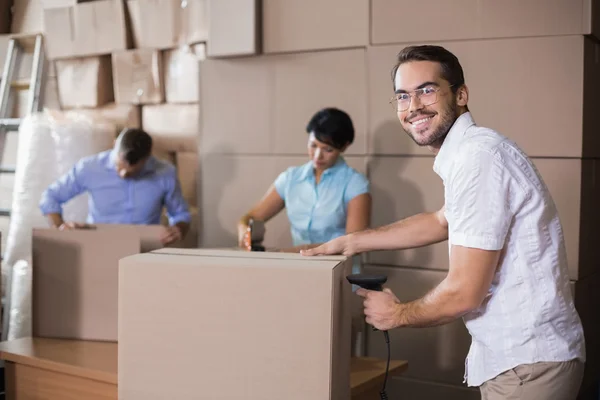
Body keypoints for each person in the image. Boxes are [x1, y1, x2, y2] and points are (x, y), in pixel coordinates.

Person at [302, 45, 586, 399]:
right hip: (522, 362)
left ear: (461, 94)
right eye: (403, 96)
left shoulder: (477, 158)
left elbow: (465, 291)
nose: (414, 106)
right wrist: (350, 242)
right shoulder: (471, 152)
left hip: (527, 365)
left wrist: (396, 315)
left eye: (427, 90)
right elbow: (442, 221)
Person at [237, 107, 371, 257]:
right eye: (313, 145)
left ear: (344, 146)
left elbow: (353, 242)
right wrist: (244, 229)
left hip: (340, 270)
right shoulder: (290, 178)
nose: (318, 156)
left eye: (327, 149)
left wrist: (289, 252)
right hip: (302, 267)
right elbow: (252, 216)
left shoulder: (355, 183)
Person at [39, 128, 191, 245]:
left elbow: (181, 215)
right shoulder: (89, 168)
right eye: (119, 166)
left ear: (146, 159)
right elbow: (50, 197)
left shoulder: (165, 173)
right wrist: (59, 228)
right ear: (114, 145)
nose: (123, 174)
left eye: (132, 171)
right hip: (98, 246)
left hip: (144, 249)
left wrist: (178, 229)